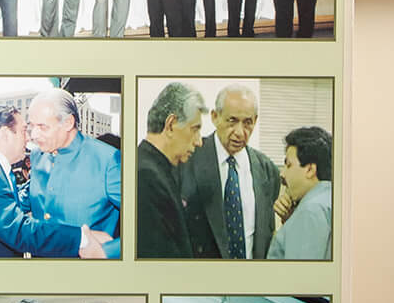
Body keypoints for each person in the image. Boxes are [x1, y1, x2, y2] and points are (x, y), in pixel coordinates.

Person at [0, 103, 108, 260]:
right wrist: (82, 238)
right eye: (24, 131)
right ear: (5, 134)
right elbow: (19, 231)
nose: (29, 138)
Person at [182, 84, 280, 262]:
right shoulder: (188, 161)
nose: (240, 132)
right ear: (215, 117)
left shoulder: (267, 170)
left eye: (248, 123)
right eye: (232, 121)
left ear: (255, 120)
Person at [26, 90, 122, 254]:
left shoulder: (107, 160)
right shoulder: (37, 155)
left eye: (42, 127)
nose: (34, 135)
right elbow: (31, 197)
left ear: (68, 123)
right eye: (31, 126)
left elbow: (147, 223)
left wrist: (107, 252)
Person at [135, 81, 206, 257]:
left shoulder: (155, 169)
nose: (199, 142)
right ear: (171, 125)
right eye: (195, 129)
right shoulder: (146, 177)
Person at [268, 125, 333, 261]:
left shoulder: (310, 211)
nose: (282, 174)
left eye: (288, 165)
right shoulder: (329, 199)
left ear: (310, 170)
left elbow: (300, 271)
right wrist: (292, 219)